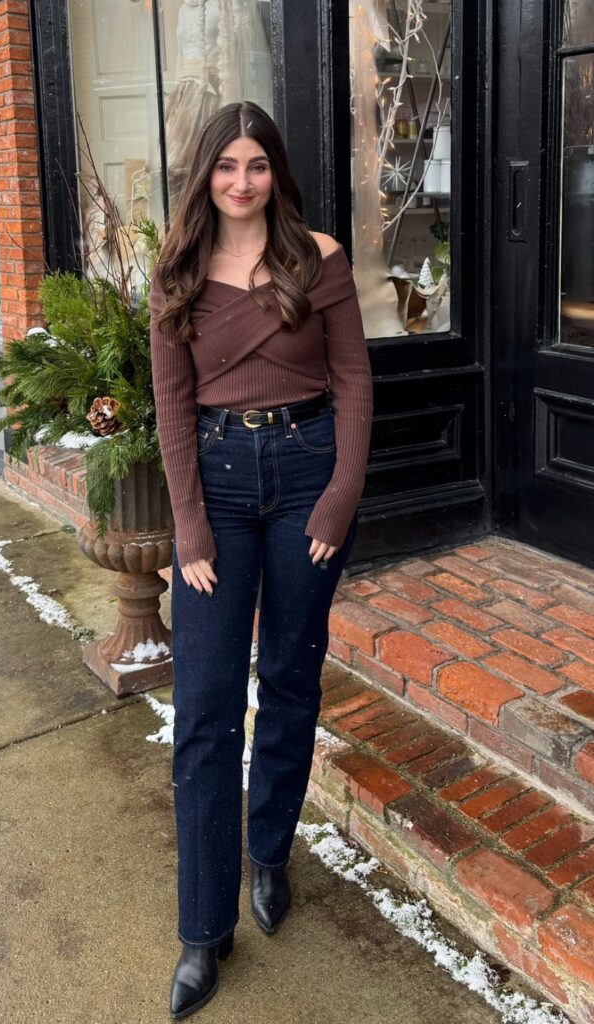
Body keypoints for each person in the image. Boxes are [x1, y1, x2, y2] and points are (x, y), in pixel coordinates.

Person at [148, 99, 373, 1020]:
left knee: (288, 678)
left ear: (276, 171)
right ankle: (203, 930)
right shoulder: (176, 273)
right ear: (204, 174)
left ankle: (269, 854)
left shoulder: (315, 257)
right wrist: (189, 529)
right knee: (203, 710)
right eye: (225, 166)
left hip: (307, 477)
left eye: (256, 165)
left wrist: (339, 495)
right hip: (219, 488)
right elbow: (168, 406)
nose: (241, 182)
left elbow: (355, 379)